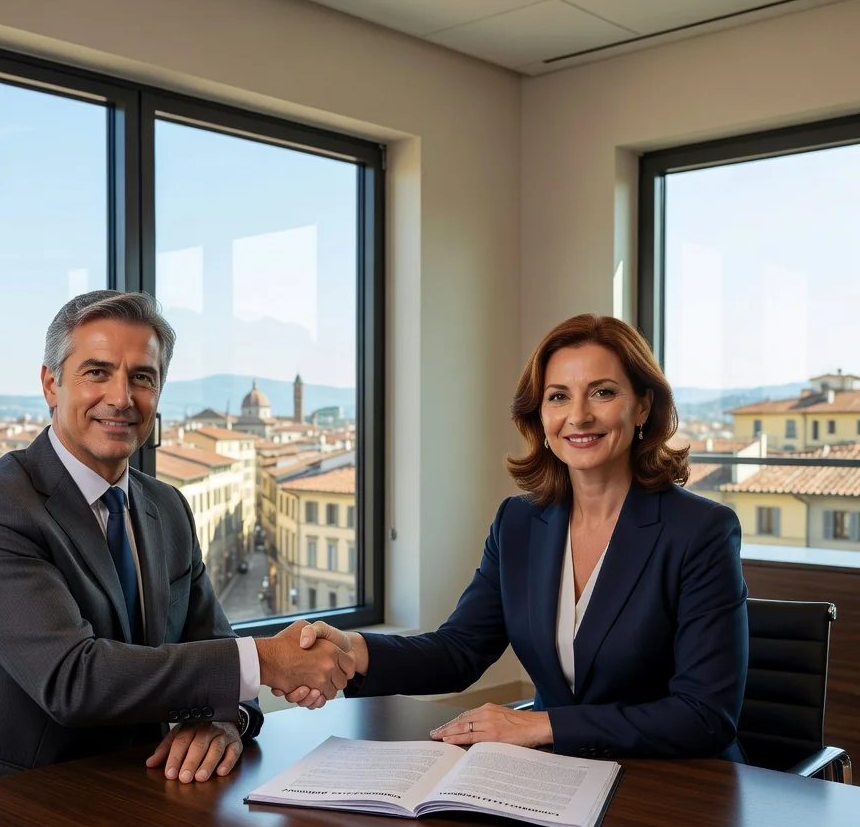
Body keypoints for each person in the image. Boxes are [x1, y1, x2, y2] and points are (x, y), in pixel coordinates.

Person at [0, 291, 353, 792]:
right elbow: (73, 681)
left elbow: (218, 655)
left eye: (142, 377)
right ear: (51, 384)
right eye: (97, 372)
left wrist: (224, 721)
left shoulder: (167, 508)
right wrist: (269, 660)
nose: (122, 398)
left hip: (139, 795)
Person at [282, 314, 749, 761]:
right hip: (561, 779)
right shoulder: (520, 524)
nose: (579, 416)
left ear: (643, 405)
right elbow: (459, 649)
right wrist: (352, 649)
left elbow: (705, 715)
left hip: (682, 791)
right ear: (540, 415)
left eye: (602, 392)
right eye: (559, 397)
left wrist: (539, 727)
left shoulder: (701, 531)